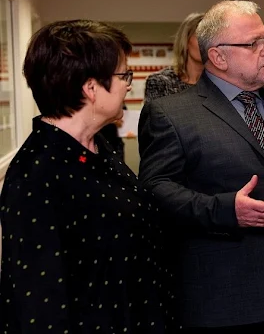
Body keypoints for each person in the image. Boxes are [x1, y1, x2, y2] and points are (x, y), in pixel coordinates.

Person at [138, 0, 264, 333]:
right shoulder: (171, 114)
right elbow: (155, 191)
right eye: (253, 43)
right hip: (228, 299)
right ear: (218, 56)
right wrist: (226, 210)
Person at [0, 20, 168, 333]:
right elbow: (38, 303)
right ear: (90, 88)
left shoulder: (96, 146)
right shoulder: (36, 174)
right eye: (122, 75)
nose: (128, 84)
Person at [144, 12, 204, 103]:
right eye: (200, 37)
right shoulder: (160, 82)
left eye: (211, 39)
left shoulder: (220, 83)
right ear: (186, 41)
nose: (206, 44)